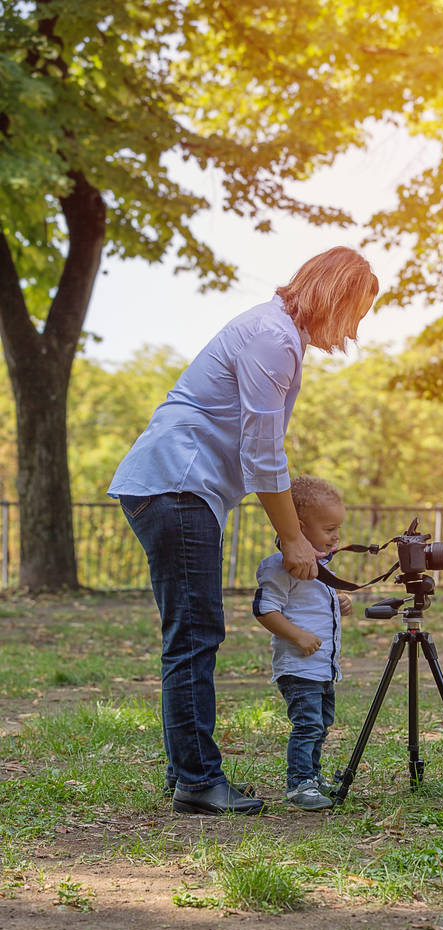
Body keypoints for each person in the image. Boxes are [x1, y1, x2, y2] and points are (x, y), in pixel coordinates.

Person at [108, 248, 378, 816]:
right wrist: (294, 539)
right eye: (355, 311)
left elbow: (261, 454)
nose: (353, 328)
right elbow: (262, 453)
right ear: (333, 295)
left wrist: (294, 534)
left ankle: (187, 768)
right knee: (195, 632)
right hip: (176, 481)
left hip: (178, 485)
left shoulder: (278, 335)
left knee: (192, 629)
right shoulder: (272, 338)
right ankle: (198, 781)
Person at [252, 476, 352, 810]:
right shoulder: (281, 567)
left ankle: (313, 775)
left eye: (337, 528)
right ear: (299, 526)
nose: (336, 536)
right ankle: (298, 784)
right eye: (329, 528)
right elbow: (265, 610)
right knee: (307, 724)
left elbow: (311, 606)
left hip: (322, 665)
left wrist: (339, 602)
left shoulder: (318, 568)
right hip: (299, 665)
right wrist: (297, 636)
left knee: (321, 724)